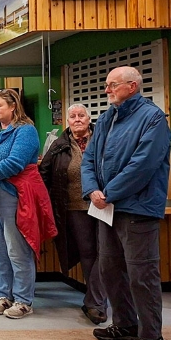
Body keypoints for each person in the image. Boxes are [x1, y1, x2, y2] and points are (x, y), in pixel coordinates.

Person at [81, 66, 171, 340]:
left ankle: (151, 336)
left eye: (112, 85)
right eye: (107, 85)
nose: (107, 90)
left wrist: (109, 193)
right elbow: (89, 158)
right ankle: (124, 324)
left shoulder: (153, 118)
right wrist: (92, 189)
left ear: (132, 86)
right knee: (110, 269)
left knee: (141, 274)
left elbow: (143, 164)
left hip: (137, 209)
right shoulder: (107, 118)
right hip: (106, 209)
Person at [0, 89, 56, 319]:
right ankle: (3, 295)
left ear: (13, 107)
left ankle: (23, 300)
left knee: (17, 250)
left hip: (15, 196)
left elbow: (14, 164)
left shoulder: (26, 131)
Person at [40, 104, 107, 325]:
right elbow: (44, 174)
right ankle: (96, 303)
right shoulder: (59, 146)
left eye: (81, 115)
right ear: (66, 121)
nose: (77, 119)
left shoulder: (104, 138)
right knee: (88, 253)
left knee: (107, 253)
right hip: (75, 207)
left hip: (107, 205)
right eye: (72, 116)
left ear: (89, 119)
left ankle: (98, 299)